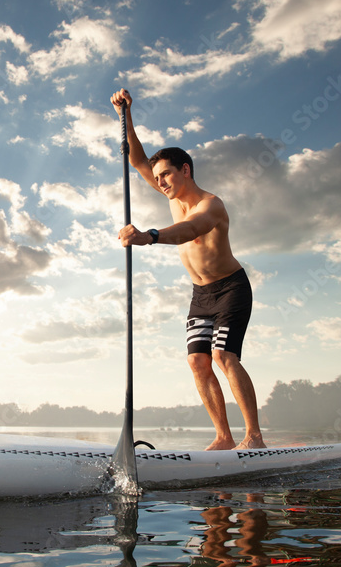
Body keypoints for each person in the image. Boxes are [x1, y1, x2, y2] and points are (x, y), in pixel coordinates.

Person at [110, 88, 266, 450]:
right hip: (201, 295)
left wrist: (149, 236)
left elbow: (190, 231)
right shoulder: (170, 192)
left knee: (223, 356)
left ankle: (254, 436)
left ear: (186, 170)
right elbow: (137, 162)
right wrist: (125, 115)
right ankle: (224, 437)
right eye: (158, 177)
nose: (160, 182)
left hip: (231, 289)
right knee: (198, 362)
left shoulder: (211, 205)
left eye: (166, 175)